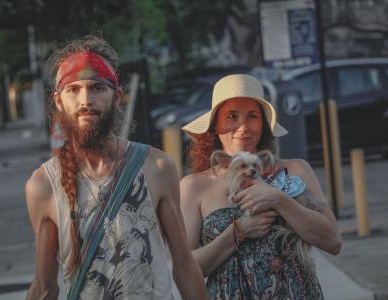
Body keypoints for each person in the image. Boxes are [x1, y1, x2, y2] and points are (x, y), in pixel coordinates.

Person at [25, 35, 208, 300]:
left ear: (117, 96)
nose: (86, 100)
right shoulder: (43, 185)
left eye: (97, 88)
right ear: (58, 101)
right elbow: (44, 287)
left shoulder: (156, 167)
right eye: (73, 90)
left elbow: (183, 265)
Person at [179, 74, 342, 299]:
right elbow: (186, 270)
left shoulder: (295, 171)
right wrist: (238, 231)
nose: (243, 127)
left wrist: (278, 199)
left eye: (252, 116)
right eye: (232, 116)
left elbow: (333, 241)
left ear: (263, 124)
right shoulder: (194, 186)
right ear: (216, 124)